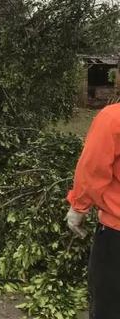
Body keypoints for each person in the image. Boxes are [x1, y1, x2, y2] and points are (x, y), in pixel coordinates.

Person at [66, 103, 120, 317]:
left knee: (109, 306)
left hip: (116, 235)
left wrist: (78, 208)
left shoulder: (113, 118)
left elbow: (93, 168)